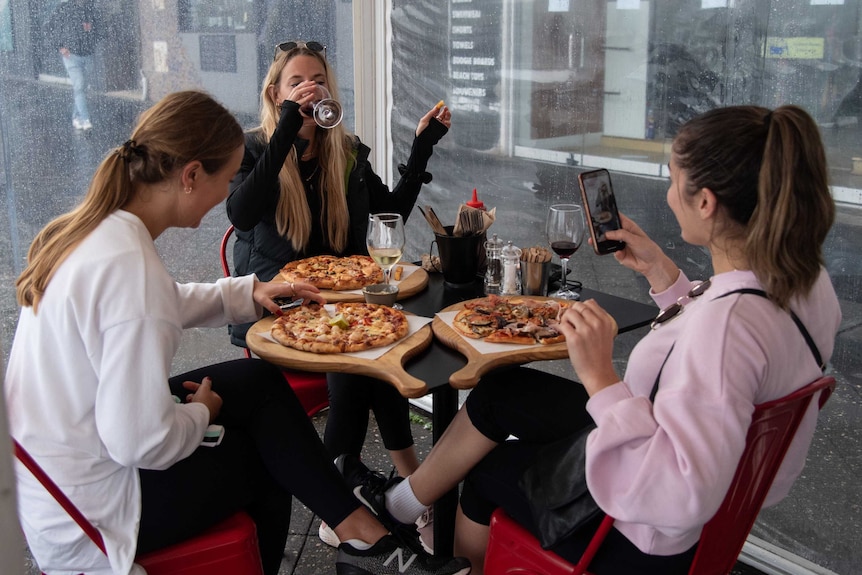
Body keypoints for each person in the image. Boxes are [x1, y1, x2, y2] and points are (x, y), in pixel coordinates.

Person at [338, 105, 841, 574]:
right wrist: (665, 278)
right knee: (503, 393)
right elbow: (722, 360)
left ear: (706, 202)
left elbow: (680, 489)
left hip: (641, 532)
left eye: (673, 178)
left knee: (491, 471)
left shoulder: (725, 327)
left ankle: (441, 551)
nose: (668, 193)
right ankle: (401, 506)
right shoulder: (806, 284)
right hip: (688, 467)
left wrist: (599, 375)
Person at [5, 90, 470, 575]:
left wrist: (253, 292)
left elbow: (163, 301)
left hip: (57, 469)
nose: (224, 196)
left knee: (257, 384)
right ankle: (363, 536)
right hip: (91, 514)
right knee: (267, 459)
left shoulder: (102, 233)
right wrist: (199, 415)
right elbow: (141, 442)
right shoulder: (131, 274)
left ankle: (362, 539)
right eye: (225, 180)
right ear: (190, 176)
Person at [225, 40, 451, 548]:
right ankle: (351, 505)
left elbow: (388, 212)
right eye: (297, 83)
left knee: (378, 348)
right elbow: (240, 213)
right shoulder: (254, 149)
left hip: (345, 308)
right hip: (279, 312)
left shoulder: (344, 152)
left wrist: (422, 147)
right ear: (275, 94)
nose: (311, 89)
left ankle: (407, 494)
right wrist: (288, 126)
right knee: (359, 361)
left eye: (318, 81)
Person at [47, 0, 99, 131]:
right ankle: (85, 119)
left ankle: (76, 116)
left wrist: (92, 33)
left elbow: (99, 27)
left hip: (88, 54)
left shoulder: (90, 7)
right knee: (80, 85)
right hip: (71, 56)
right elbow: (48, 27)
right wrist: (60, 47)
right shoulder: (63, 8)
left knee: (82, 87)